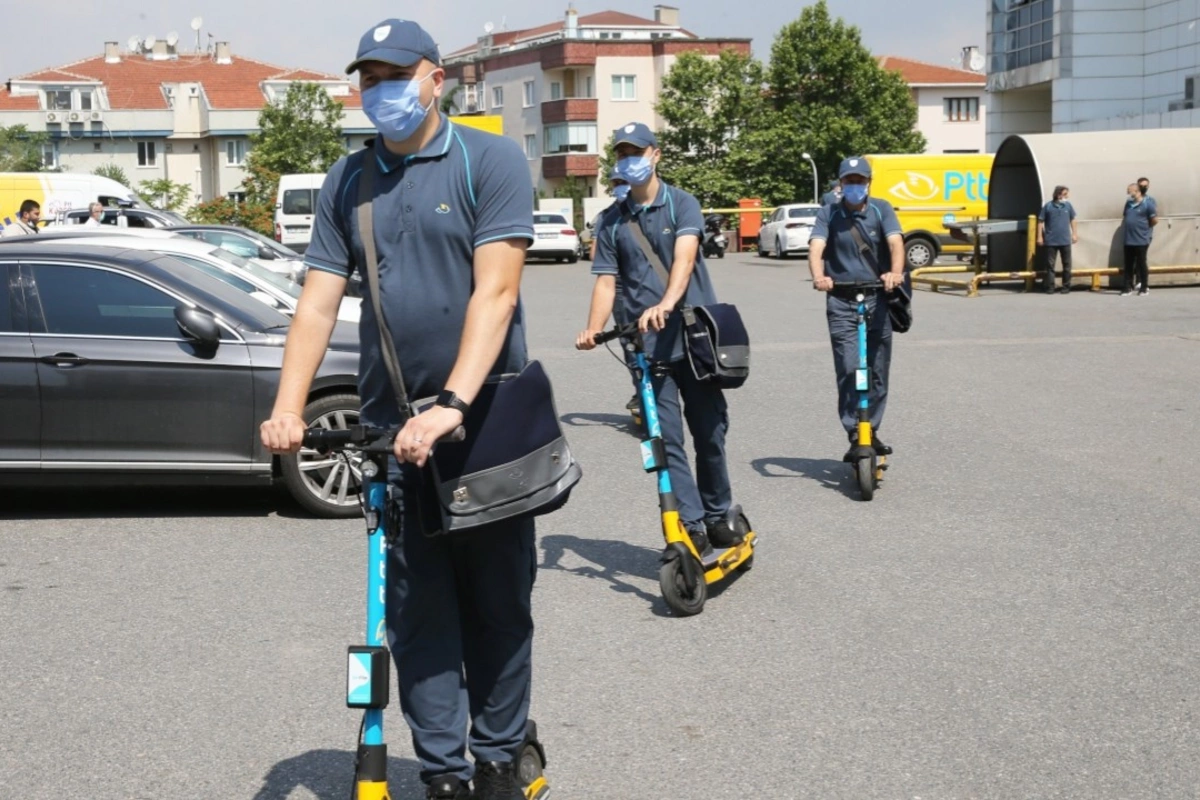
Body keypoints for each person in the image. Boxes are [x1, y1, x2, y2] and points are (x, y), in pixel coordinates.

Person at [259, 18, 539, 800]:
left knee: (498, 606)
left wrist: (453, 401)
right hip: (394, 434)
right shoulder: (349, 181)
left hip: (489, 426)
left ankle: (499, 755)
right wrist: (287, 409)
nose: (381, 91)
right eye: (368, 77)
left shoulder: (491, 161)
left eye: (395, 74)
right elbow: (315, 309)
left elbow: (498, 290)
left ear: (436, 77)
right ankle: (448, 772)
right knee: (417, 616)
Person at [575, 121, 746, 553]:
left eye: (637, 151)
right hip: (645, 346)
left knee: (709, 431)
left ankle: (718, 510)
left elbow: (685, 259)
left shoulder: (681, 204)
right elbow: (606, 281)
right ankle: (690, 524)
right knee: (665, 439)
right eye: (621, 153)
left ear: (656, 155)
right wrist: (593, 329)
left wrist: (668, 302)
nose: (629, 160)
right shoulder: (611, 221)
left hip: (693, 337)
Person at [807, 157, 905, 461]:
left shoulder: (882, 209)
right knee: (849, 368)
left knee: (877, 370)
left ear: (869, 183)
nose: (854, 186)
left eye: (860, 181)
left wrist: (895, 272)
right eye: (849, 181)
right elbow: (816, 246)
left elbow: (896, 243)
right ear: (840, 184)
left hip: (877, 297)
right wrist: (818, 276)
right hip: (841, 299)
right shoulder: (829, 213)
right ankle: (854, 430)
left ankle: (871, 428)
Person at [1037, 185, 1078, 294]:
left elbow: (1073, 219)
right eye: (1065, 194)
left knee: (1067, 264)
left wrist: (1074, 234)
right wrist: (1040, 236)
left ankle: (1066, 287)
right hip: (1051, 241)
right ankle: (1050, 287)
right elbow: (1040, 221)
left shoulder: (1068, 206)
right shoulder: (1048, 206)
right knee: (1050, 265)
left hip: (1065, 240)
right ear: (1058, 195)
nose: (1067, 196)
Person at [1121, 181, 1157, 297]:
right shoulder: (1128, 204)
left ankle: (1144, 287)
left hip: (1141, 239)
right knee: (1128, 264)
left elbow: (1154, 220)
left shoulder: (1148, 204)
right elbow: (1126, 216)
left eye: (1129, 190)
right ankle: (1127, 287)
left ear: (1136, 191)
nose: (1127, 192)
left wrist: (1144, 230)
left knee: (1141, 264)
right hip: (1128, 239)